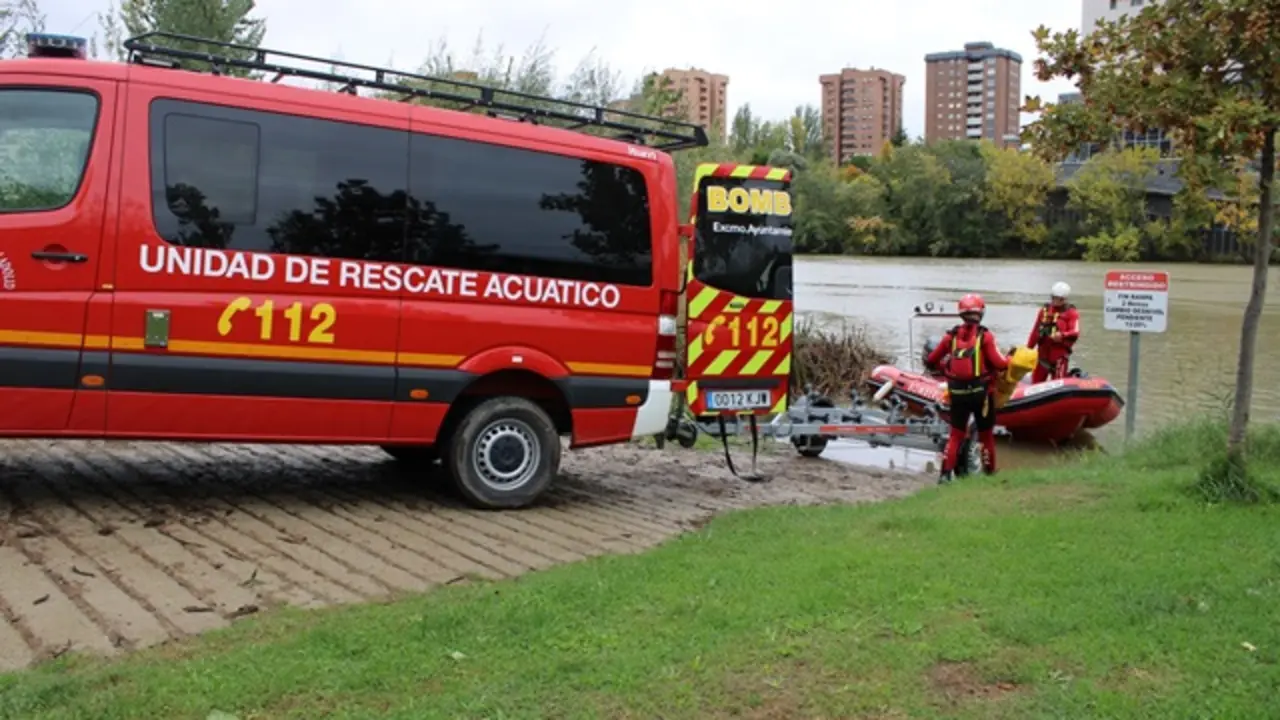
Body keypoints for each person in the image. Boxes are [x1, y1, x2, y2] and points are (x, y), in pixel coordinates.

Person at [924, 293, 1008, 483]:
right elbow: (1000, 363)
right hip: (981, 394)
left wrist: (945, 369)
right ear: (981, 312)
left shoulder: (950, 336)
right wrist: (1010, 359)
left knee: (956, 435)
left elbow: (931, 360)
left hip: (957, 393)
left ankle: (945, 475)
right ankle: (990, 473)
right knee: (986, 436)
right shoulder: (985, 336)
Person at [1026, 281, 1081, 383]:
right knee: (1035, 383)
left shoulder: (1071, 313)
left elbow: (1075, 331)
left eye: (1059, 299)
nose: (1055, 301)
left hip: (1059, 357)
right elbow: (1035, 332)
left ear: (1064, 299)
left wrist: (1063, 335)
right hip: (1042, 355)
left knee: (1058, 383)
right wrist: (1028, 349)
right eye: (1054, 298)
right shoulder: (1044, 311)